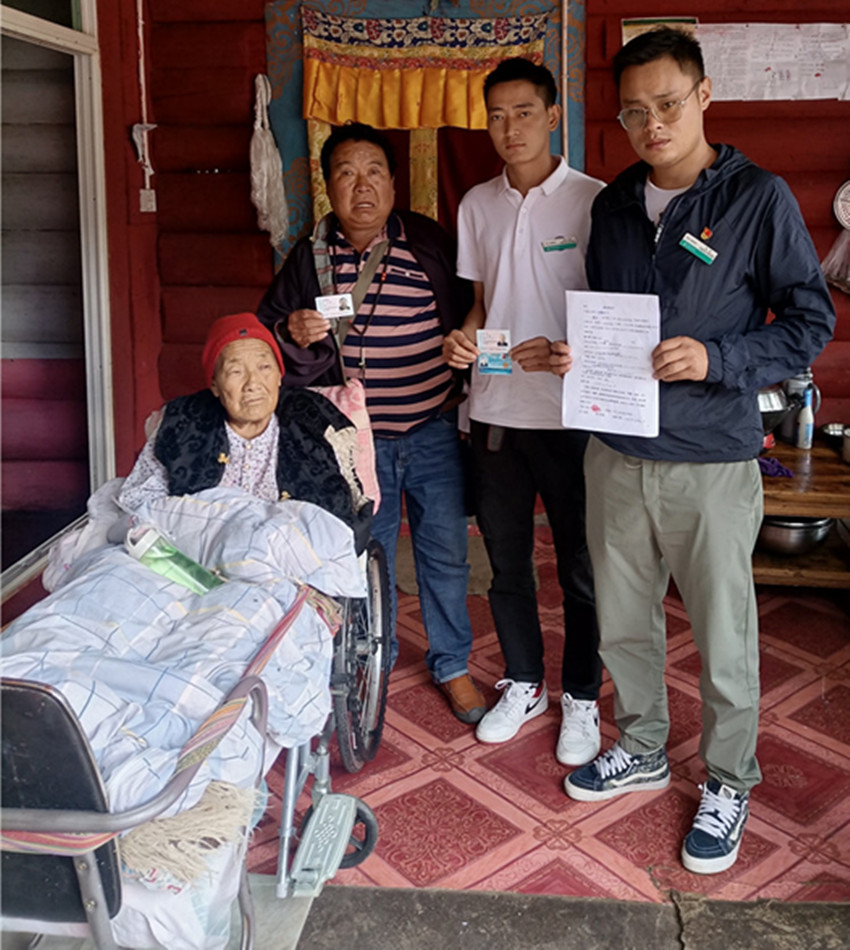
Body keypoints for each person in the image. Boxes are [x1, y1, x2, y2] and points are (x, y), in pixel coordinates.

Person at [554, 28, 835, 874]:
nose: (653, 124)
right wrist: (580, 355)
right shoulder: (613, 204)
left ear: (704, 96)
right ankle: (642, 744)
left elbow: (809, 322)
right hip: (615, 449)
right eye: (634, 112)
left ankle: (728, 777)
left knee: (723, 631)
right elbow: (608, 317)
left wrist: (719, 360)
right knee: (622, 619)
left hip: (710, 457)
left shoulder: (757, 198)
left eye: (668, 104)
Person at [255, 124, 486, 725]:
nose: (362, 186)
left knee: (444, 552)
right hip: (355, 444)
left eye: (374, 172)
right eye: (347, 173)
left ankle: (452, 664)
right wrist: (291, 331)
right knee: (363, 552)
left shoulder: (428, 242)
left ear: (393, 183)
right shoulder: (308, 258)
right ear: (328, 186)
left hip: (433, 429)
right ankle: (369, 657)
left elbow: (473, 308)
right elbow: (270, 333)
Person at [443, 58, 604, 764]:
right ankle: (525, 680)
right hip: (497, 410)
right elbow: (483, 304)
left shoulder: (595, 201)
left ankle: (581, 696)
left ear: (552, 115)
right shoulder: (476, 204)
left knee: (581, 568)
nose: (511, 128)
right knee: (507, 562)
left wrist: (576, 352)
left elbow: (610, 313)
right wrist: (463, 339)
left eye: (525, 112)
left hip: (572, 416)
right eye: (497, 115)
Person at [119, 312, 365, 547]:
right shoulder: (182, 423)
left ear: (279, 376)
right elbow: (140, 502)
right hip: (196, 555)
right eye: (236, 371)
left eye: (264, 367)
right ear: (215, 384)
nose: (253, 383)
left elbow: (339, 517)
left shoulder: (312, 424)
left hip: (289, 560)